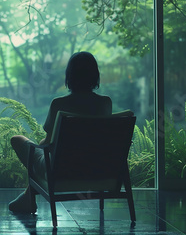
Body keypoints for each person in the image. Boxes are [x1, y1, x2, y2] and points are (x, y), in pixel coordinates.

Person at [8, 51, 133, 214]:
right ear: (95, 75)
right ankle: (27, 197)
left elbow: (48, 143)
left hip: (60, 173)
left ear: (69, 76)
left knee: (18, 139)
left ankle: (27, 198)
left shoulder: (59, 104)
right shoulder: (104, 103)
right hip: (97, 170)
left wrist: (41, 145)